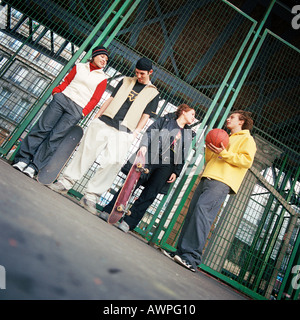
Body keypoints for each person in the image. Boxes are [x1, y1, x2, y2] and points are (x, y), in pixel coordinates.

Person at [50, 57, 160, 215]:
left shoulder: (153, 93)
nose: (139, 76)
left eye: (142, 73)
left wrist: (136, 133)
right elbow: (111, 98)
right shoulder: (125, 80)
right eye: (136, 72)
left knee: (112, 162)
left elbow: (146, 115)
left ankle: (91, 197)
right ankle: (65, 182)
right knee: (86, 152)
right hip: (105, 120)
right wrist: (97, 116)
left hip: (125, 130)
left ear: (150, 72)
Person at [163, 110, 257, 272]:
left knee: (202, 214)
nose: (228, 118)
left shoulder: (248, 139)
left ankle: (192, 259)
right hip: (208, 176)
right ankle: (181, 252)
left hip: (222, 181)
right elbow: (210, 159)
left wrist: (224, 153)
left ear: (241, 122)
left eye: (232, 117)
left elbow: (246, 161)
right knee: (193, 213)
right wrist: (210, 148)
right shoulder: (225, 136)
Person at [12, 46, 109, 178]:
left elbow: (95, 99)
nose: (104, 60)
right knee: (42, 129)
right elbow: (67, 81)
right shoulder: (79, 67)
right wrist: (57, 92)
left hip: (76, 109)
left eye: (106, 59)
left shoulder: (102, 78)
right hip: (61, 99)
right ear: (95, 55)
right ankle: (22, 160)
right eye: (102, 57)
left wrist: (83, 112)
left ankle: (34, 166)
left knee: (55, 137)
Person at [100, 104, 196, 233]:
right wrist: (144, 146)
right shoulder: (166, 120)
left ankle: (129, 222)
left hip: (168, 165)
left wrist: (176, 171)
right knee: (131, 185)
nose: (194, 118)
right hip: (151, 156)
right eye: (192, 114)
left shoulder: (188, 134)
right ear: (183, 112)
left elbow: (183, 154)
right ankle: (110, 210)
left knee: (150, 194)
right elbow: (150, 131)